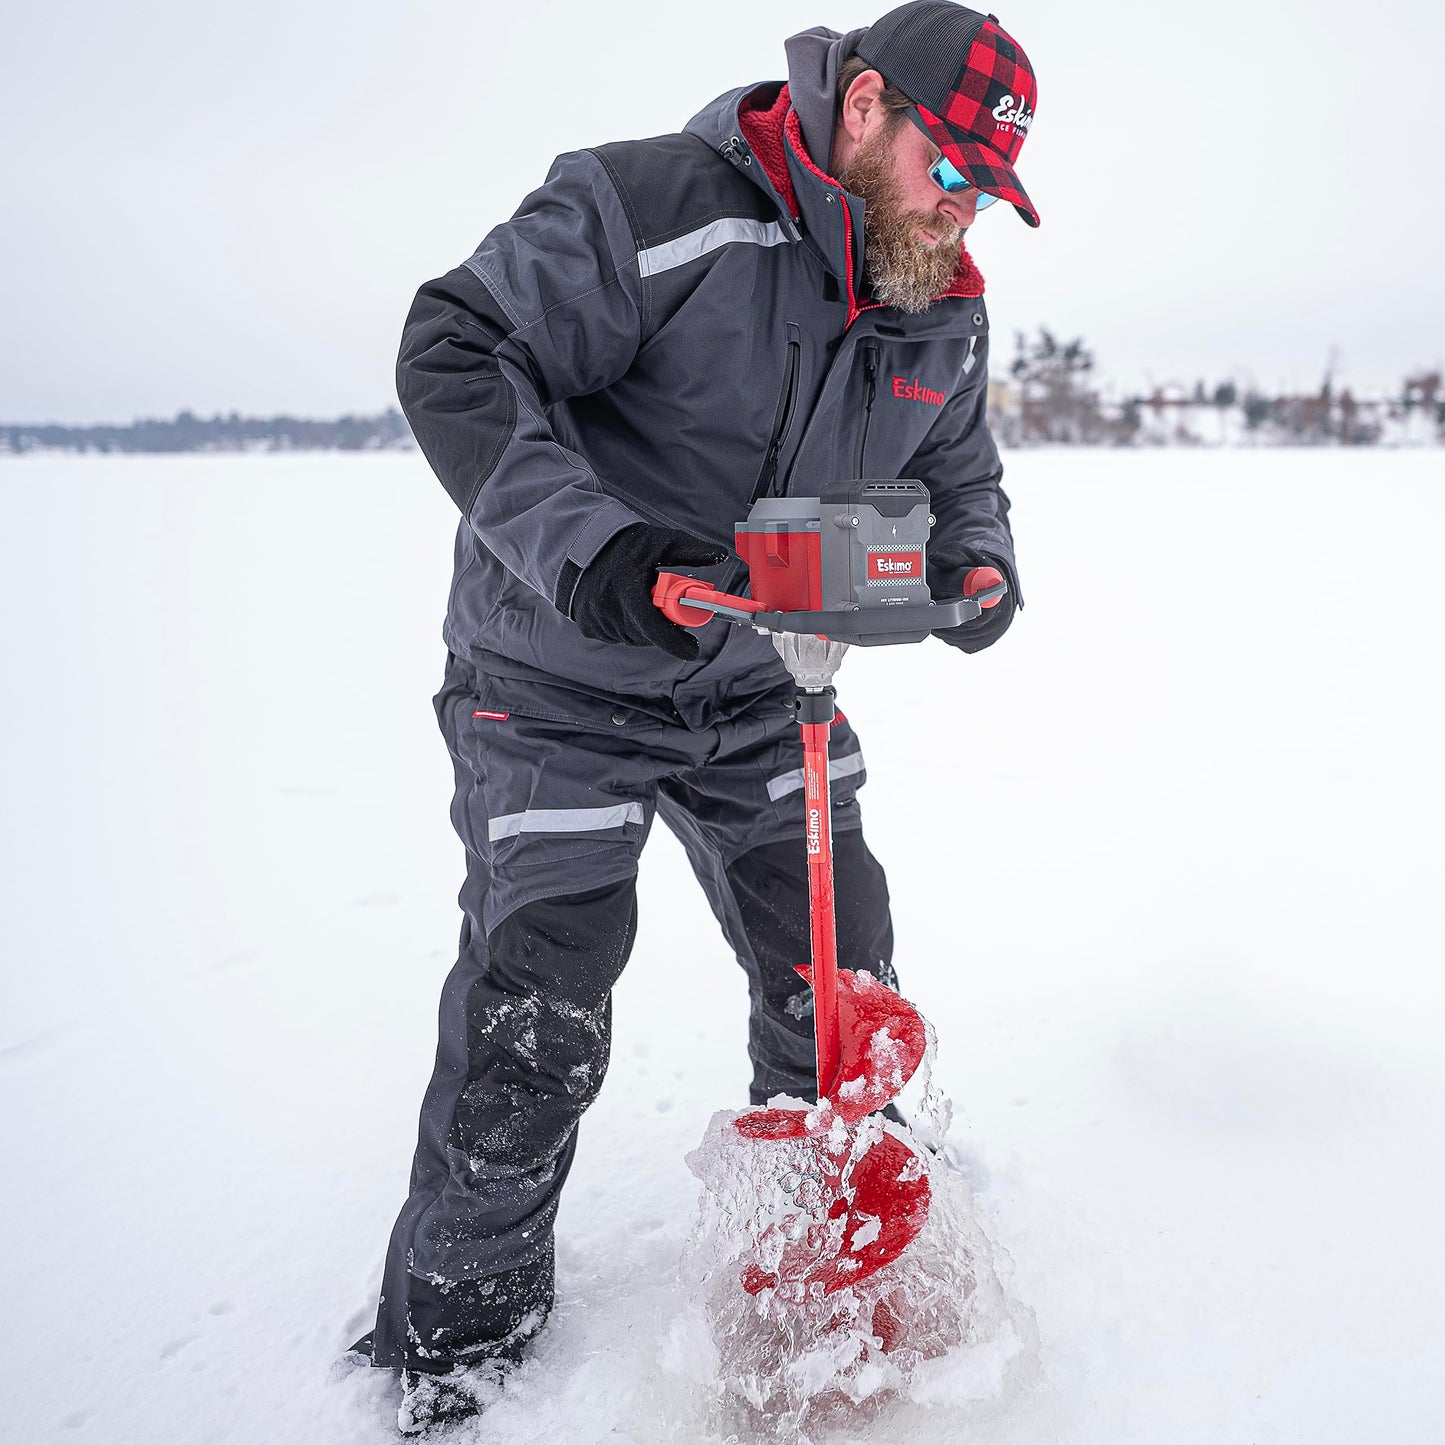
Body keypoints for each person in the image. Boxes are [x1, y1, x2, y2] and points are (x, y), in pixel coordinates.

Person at [351, 1, 1039, 1429]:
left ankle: (824, 1252)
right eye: (950, 163)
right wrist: (599, 551)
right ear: (864, 112)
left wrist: (978, 563)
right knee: (542, 999)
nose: (963, 202)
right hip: (555, 680)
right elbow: (455, 348)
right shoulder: (652, 205)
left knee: (839, 977)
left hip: (762, 685)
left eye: (986, 181)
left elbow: (959, 464)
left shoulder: (936, 286)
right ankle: (458, 1336)